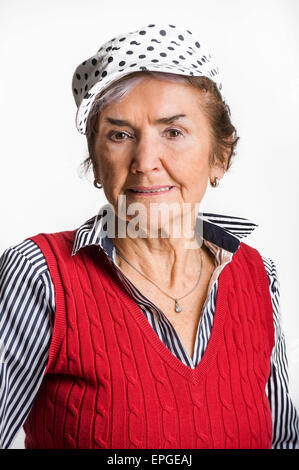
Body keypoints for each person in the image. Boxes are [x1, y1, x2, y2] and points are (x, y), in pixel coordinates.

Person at [0, 22, 298, 450]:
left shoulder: (256, 275)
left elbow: (283, 441)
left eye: (173, 132)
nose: (145, 160)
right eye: (120, 135)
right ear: (97, 161)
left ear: (220, 156)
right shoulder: (40, 276)